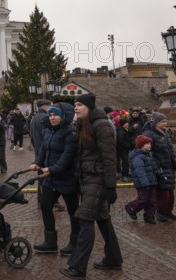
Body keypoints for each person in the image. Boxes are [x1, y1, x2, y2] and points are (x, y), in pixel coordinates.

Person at [61, 94, 122, 279]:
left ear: (89, 106)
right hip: (87, 178)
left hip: (98, 179)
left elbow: (110, 157)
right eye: (75, 105)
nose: (76, 108)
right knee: (103, 219)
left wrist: (111, 186)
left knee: (85, 219)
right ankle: (113, 259)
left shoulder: (101, 125)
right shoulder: (83, 123)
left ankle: (78, 267)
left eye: (79, 105)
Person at [29, 103, 79, 255]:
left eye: (55, 115)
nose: (52, 118)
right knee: (45, 206)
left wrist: (51, 169)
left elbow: (67, 158)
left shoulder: (70, 133)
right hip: (50, 178)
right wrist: (36, 163)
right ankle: (50, 242)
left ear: (63, 116)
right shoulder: (49, 131)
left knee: (73, 212)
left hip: (66, 178)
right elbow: (43, 150)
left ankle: (75, 243)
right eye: (50, 115)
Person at [142, 112, 176, 223]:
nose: (165, 123)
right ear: (156, 123)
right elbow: (147, 151)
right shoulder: (148, 133)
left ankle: (168, 212)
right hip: (159, 167)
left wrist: (175, 162)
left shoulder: (165, 133)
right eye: (163, 121)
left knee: (170, 190)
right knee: (163, 192)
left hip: (168, 166)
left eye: (166, 121)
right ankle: (161, 212)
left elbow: (169, 151)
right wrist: (155, 166)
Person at [125, 135, 157, 224]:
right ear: (140, 145)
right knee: (143, 199)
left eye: (150, 143)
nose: (149, 145)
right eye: (147, 143)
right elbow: (139, 171)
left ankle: (149, 217)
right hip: (143, 183)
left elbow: (153, 168)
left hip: (151, 182)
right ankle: (131, 208)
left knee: (152, 201)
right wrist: (145, 183)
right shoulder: (138, 157)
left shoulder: (148, 155)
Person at [30, 99, 52, 206]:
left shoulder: (34, 118)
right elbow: (46, 136)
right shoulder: (45, 117)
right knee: (46, 178)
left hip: (38, 152)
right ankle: (46, 201)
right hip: (45, 153)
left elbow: (32, 137)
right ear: (44, 106)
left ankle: (40, 200)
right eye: (49, 105)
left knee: (41, 178)